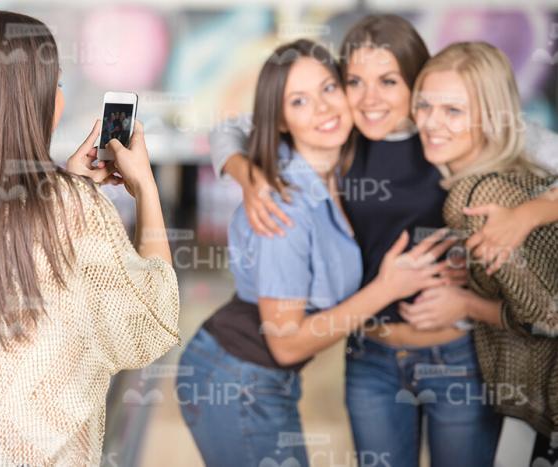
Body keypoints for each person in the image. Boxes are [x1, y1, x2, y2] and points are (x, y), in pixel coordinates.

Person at [209, 15, 557, 467]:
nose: (369, 99)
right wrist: (247, 174)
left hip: (457, 357)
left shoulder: (448, 131)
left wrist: (526, 215)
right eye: (354, 81)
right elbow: (232, 128)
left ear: (418, 83)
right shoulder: (341, 133)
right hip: (371, 356)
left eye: (389, 81)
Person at [0, 9, 180, 466]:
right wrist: (146, 191)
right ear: (32, 98)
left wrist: (61, 186)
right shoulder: (74, 210)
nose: (58, 97)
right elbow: (149, 322)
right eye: (56, 84)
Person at [176, 38, 456, 467]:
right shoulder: (282, 206)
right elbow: (287, 345)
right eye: (300, 101)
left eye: (329, 88)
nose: (324, 108)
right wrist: (388, 288)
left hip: (260, 378)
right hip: (235, 380)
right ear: (282, 120)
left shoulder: (336, 167)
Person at [409, 40, 558, 465]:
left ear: (491, 118)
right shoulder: (512, 177)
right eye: (424, 105)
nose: (430, 123)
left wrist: (466, 303)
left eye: (453, 111)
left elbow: (549, 319)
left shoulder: (475, 198)